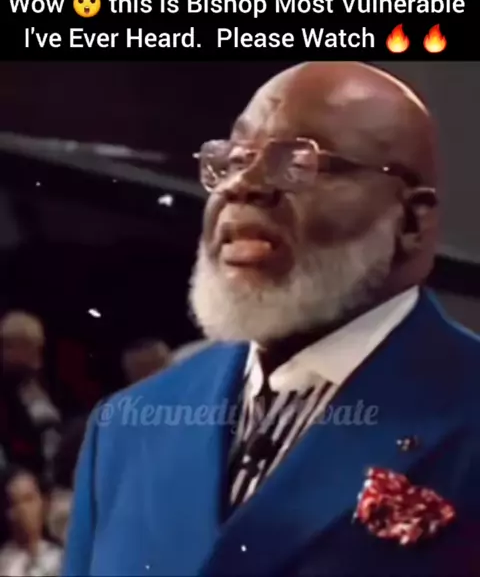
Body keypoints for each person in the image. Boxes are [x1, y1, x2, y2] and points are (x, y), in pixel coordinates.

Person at [64, 62, 480, 576]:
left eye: (298, 163)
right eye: (234, 160)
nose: (243, 186)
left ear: (412, 221)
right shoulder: (125, 428)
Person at [0, 312, 61, 477]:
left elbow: (49, 434)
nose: (37, 356)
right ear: (7, 347)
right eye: (29, 347)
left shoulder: (33, 386)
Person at [0, 467, 63, 576]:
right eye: (14, 503)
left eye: (28, 499)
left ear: (43, 503)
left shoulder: (61, 557)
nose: (22, 510)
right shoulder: (3, 564)